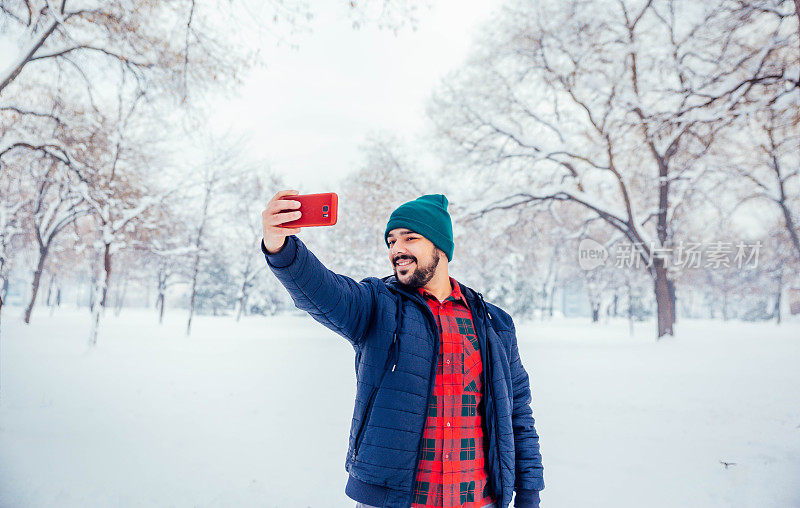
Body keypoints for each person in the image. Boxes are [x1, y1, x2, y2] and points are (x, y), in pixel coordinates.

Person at [260, 190, 544, 508]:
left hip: (478, 500)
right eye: (391, 241)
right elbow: (324, 291)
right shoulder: (379, 305)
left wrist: (529, 492)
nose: (398, 250)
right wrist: (281, 247)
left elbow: (518, 412)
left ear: (440, 245)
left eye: (409, 238)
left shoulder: (493, 322)